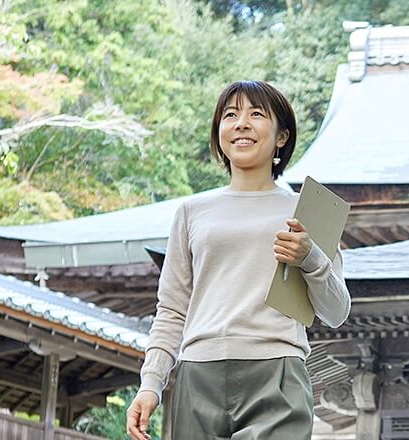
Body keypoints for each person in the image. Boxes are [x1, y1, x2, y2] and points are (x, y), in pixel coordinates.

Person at [125, 80, 351, 440]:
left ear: (281, 137)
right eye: (230, 115)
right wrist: (151, 383)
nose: (241, 123)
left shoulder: (306, 209)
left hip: (277, 374)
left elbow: (337, 311)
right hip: (197, 375)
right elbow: (172, 310)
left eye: (256, 114)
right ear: (219, 133)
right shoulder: (191, 211)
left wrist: (310, 257)